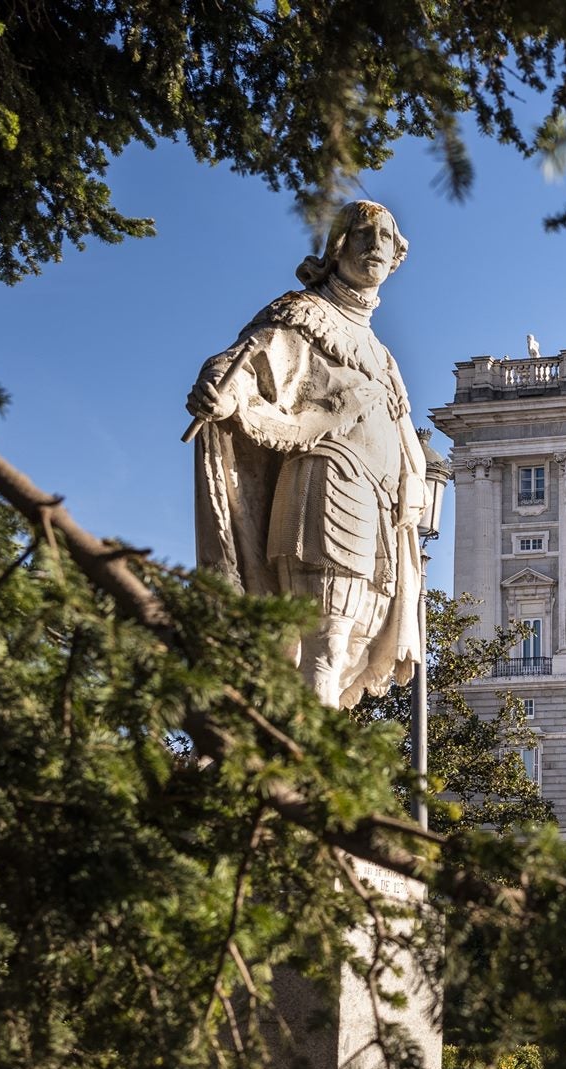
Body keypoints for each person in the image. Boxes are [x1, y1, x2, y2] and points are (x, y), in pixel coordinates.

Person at [187, 200, 429, 709]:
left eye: (385, 238)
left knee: (344, 652)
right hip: (326, 484)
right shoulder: (303, 314)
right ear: (337, 247)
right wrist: (222, 394)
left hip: (380, 504)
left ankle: (307, 764)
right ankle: (305, 777)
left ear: (396, 257)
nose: (375, 247)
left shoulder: (380, 353)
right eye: (363, 235)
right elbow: (244, 364)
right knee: (323, 647)